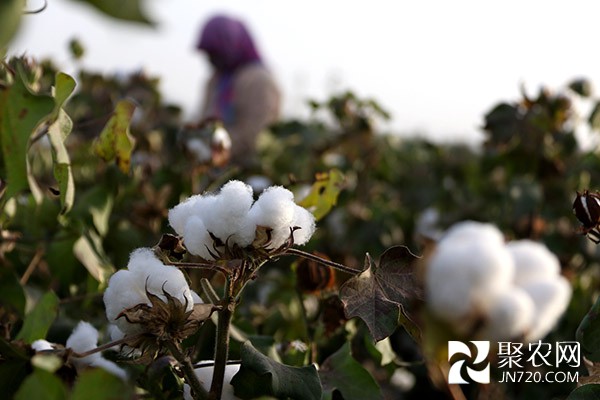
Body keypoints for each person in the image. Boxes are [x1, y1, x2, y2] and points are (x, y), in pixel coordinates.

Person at [196, 14, 281, 168]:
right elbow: (203, 121)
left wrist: (212, 150)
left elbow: (255, 135)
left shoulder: (258, 81)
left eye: (215, 53)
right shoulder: (216, 81)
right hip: (212, 168)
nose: (211, 59)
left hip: (247, 171)